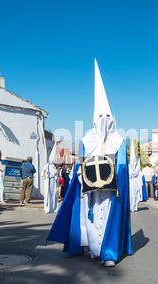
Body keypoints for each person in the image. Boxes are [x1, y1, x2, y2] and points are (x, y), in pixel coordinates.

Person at [46, 59, 133, 267]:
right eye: (100, 115)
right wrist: (82, 176)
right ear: (94, 118)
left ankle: (109, 252)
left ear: (112, 118)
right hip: (91, 190)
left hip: (111, 190)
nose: (104, 119)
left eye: (107, 115)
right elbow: (80, 163)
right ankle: (95, 249)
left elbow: (122, 166)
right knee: (92, 218)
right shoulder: (86, 139)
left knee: (109, 217)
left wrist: (114, 178)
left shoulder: (118, 140)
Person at [42, 142, 59, 214]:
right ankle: (49, 207)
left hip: (50, 181)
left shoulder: (50, 166)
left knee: (51, 194)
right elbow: (43, 173)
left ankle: (50, 207)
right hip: (49, 181)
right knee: (49, 194)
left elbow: (42, 174)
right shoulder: (50, 166)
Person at [129, 141, 143, 213]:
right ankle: (130, 207)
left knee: (135, 195)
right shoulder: (128, 167)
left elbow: (139, 175)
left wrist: (139, 184)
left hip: (135, 183)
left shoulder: (137, 168)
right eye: (132, 161)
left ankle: (135, 207)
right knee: (130, 195)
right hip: (130, 183)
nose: (133, 162)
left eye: (134, 161)